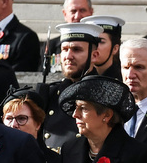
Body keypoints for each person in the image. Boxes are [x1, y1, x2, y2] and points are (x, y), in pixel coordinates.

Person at [37, 22, 104, 151]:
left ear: (94, 55)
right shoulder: (51, 92)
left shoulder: (104, 94)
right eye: (65, 49)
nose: (68, 56)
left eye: (76, 50)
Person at [43, 0, 94, 64]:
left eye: (82, 10)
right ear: (65, 14)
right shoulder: (51, 46)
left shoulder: (98, 45)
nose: (77, 16)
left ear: (91, 12)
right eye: (73, 11)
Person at [82, 15, 124, 81]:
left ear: (115, 49)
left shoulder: (124, 78)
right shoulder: (78, 76)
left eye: (101, 41)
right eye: (91, 42)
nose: (95, 47)